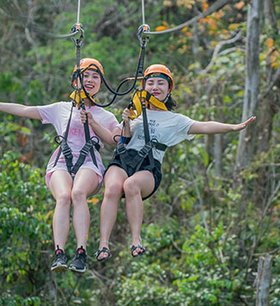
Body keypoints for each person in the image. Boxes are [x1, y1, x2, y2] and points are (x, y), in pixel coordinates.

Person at [84, 63, 256, 261]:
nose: (155, 87)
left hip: (148, 166)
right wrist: (123, 123)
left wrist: (234, 128)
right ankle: (103, 244)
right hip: (123, 159)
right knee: (113, 187)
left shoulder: (175, 120)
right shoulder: (135, 112)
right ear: (144, 87)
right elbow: (118, 139)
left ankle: (136, 240)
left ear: (169, 88)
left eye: (160, 83)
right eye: (150, 83)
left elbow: (205, 125)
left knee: (131, 185)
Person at [0, 58, 120, 273]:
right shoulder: (60, 109)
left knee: (77, 193)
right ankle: (59, 252)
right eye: (85, 76)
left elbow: (115, 139)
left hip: (88, 161)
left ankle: (81, 252)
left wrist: (93, 122)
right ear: (76, 81)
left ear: (101, 83)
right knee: (64, 196)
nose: (90, 80)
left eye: (95, 77)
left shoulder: (105, 115)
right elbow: (23, 109)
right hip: (62, 160)